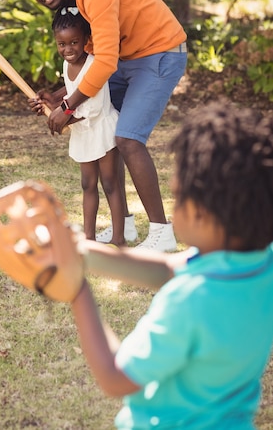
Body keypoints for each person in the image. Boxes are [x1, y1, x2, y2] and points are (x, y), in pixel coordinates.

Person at [70, 101, 273, 429]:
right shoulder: (261, 263)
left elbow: (115, 377)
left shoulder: (190, 300)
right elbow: (168, 268)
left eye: (176, 197)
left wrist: (77, 289)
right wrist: (82, 252)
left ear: (201, 214)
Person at [23, 0, 187, 251]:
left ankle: (162, 233)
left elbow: (106, 62)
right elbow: (92, 63)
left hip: (160, 51)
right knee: (111, 132)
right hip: (127, 59)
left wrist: (68, 107)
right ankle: (122, 225)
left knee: (127, 138)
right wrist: (58, 96)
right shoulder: (70, 8)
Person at [40, 7, 135, 246]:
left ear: (86, 41)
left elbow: (92, 108)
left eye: (74, 42)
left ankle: (118, 239)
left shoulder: (94, 65)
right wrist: (49, 105)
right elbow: (71, 97)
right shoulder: (66, 65)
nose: (68, 49)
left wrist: (63, 116)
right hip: (83, 133)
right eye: (62, 44)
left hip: (102, 129)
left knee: (111, 184)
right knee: (87, 184)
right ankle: (89, 238)